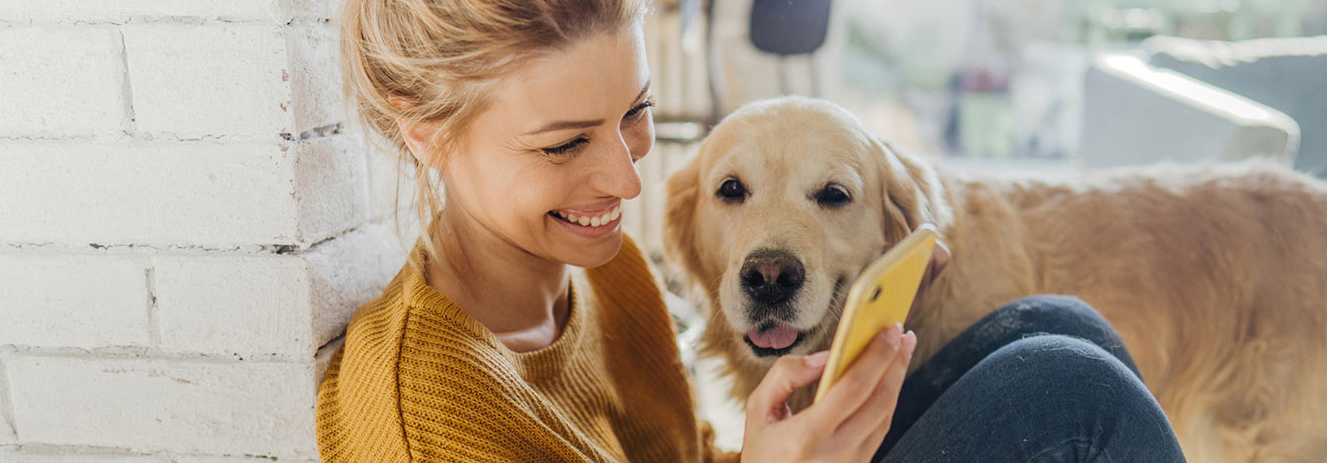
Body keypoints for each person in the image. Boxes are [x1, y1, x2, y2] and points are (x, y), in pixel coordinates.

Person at [318, 0, 1189, 462]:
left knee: (1053, 328)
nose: (626, 179)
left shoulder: (597, 272)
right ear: (423, 131)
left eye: (635, 114)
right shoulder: (427, 417)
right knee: (1069, 391)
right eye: (565, 142)